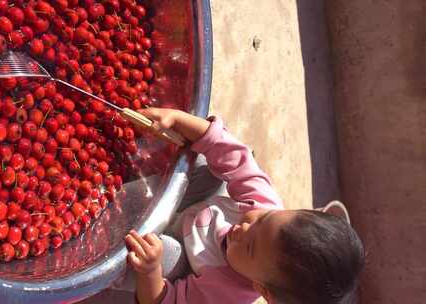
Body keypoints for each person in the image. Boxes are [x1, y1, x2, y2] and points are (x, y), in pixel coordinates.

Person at [123, 108, 365, 304]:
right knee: (211, 169)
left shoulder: (225, 294)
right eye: (262, 220)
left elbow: (165, 301)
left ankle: (118, 224)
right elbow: (232, 153)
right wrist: (177, 117)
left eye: (250, 247)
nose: (243, 228)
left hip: (183, 254)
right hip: (196, 213)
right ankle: (134, 192)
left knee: (166, 253)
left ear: (263, 290)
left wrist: (150, 271)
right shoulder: (266, 204)